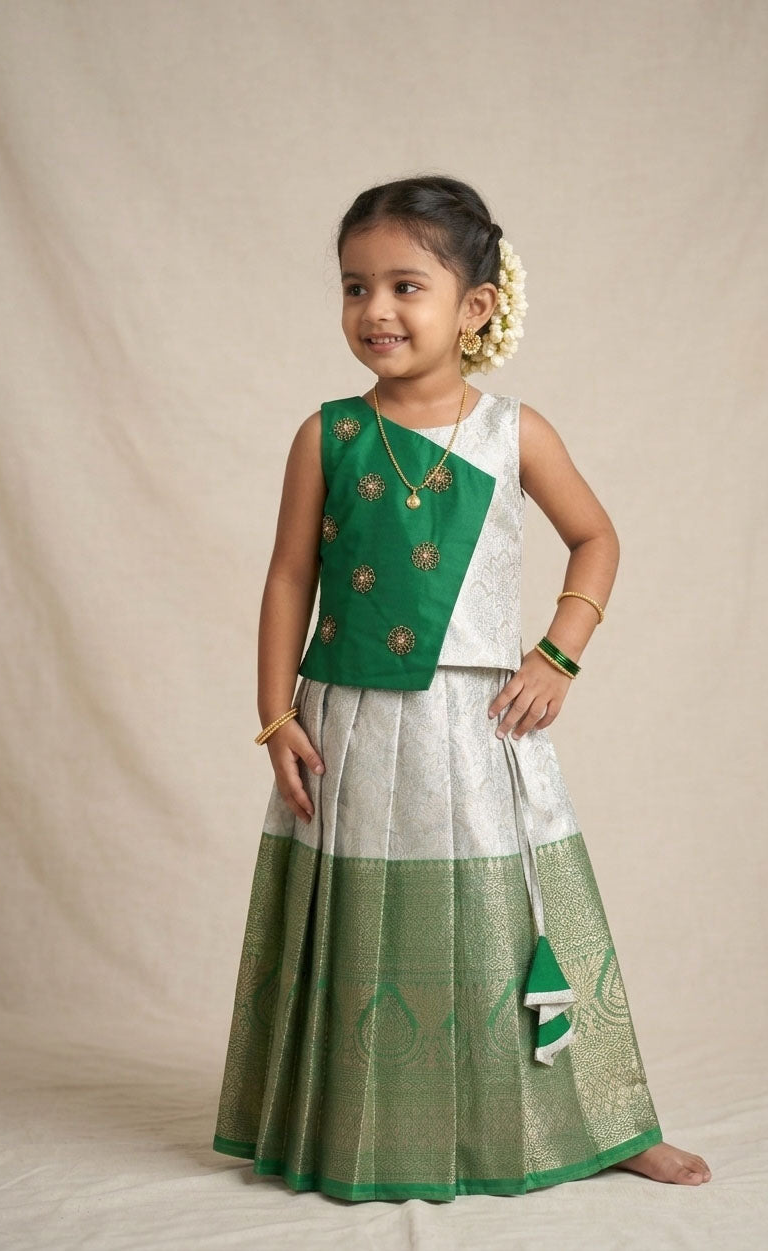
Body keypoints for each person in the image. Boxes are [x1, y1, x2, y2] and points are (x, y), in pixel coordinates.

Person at [211, 174, 711, 1201]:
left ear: (475, 305)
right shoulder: (327, 435)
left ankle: (601, 1121)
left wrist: (558, 653)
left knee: (511, 918)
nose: (376, 311)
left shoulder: (511, 433)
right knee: (358, 918)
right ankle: (351, 1126)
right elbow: (288, 578)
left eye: (405, 285)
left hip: (475, 722)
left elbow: (596, 537)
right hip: (344, 723)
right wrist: (273, 718)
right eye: (355, 288)